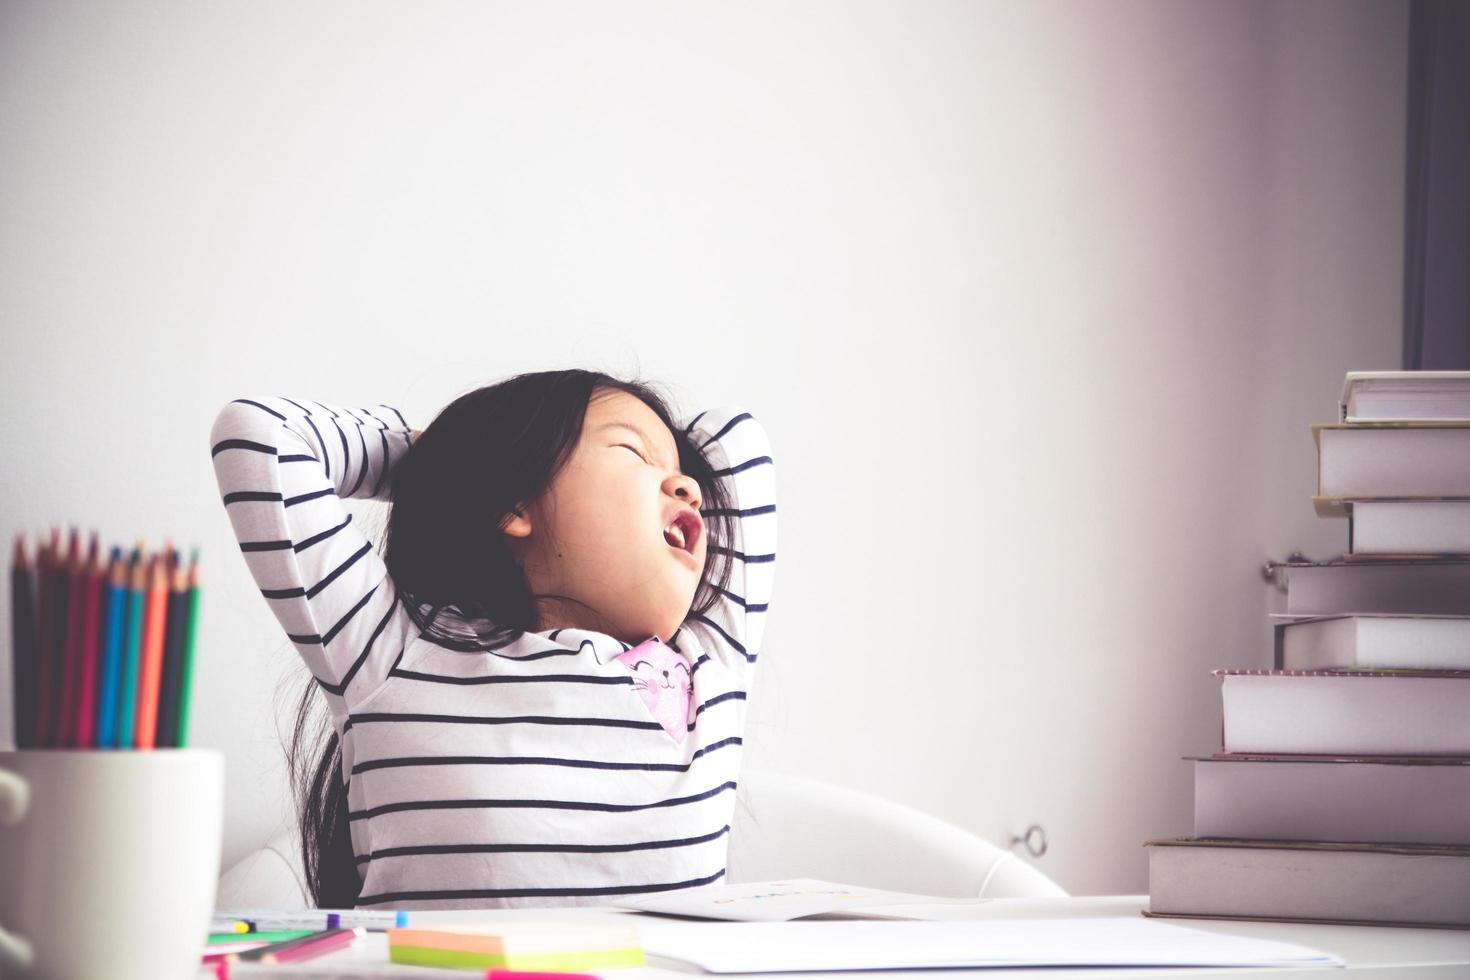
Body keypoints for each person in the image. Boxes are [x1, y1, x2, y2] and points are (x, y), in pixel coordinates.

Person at [208, 369, 776, 909]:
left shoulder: (711, 664)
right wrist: (455, 463)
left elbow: (737, 443)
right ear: (511, 500)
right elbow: (260, 434)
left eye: (682, 476)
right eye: (633, 452)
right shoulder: (394, 651)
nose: (688, 488)